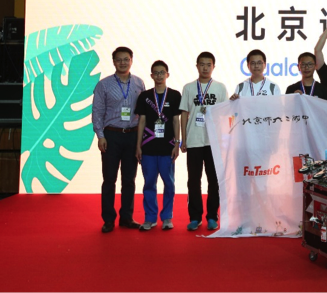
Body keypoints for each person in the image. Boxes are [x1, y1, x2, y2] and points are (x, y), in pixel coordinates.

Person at [92, 46, 146, 233]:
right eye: (119, 59)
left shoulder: (139, 83)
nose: (123, 62)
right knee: (109, 179)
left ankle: (127, 217)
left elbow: (143, 113)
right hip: (111, 135)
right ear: (113, 61)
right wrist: (100, 136)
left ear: (131, 60)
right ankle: (108, 219)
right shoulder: (104, 85)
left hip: (132, 135)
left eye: (126, 59)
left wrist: (141, 140)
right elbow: (97, 112)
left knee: (129, 179)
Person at [180, 52, 228, 231]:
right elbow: (184, 114)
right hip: (194, 140)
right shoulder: (188, 88)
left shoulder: (220, 88)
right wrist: (183, 139)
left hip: (213, 141)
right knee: (193, 181)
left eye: (209, 64)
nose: (205, 68)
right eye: (202, 64)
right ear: (197, 66)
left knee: (214, 181)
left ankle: (212, 216)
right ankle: (195, 217)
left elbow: (225, 114)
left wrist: (223, 140)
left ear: (213, 66)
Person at [134, 60, 182, 231]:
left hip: (167, 147)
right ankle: (150, 218)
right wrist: (138, 145)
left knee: (169, 183)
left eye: (162, 72)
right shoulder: (145, 96)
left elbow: (176, 121)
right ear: (151, 75)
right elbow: (141, 121)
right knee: (149, 183)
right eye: (156, 72)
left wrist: (177, 143)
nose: (159, 75)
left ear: (167, 75)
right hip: (148, 147)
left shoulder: (175, 95)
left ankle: (167, 217)